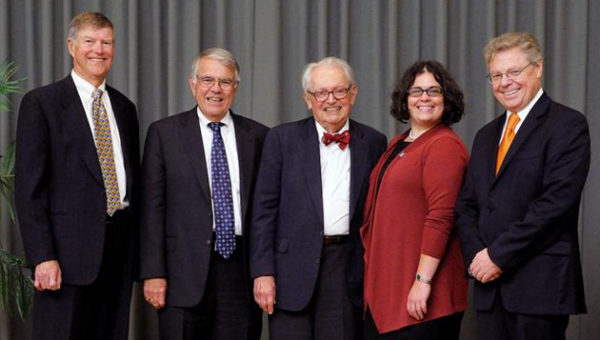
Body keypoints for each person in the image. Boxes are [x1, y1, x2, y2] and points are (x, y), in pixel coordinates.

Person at [455, 32, 590, 340]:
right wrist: (479, 257)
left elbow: (555, 204)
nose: (505, 82)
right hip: (489, 289)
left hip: (538, 289)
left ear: (538, 68)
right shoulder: (486, 135)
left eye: (514, 72)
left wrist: (497, 256)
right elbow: (467, 205)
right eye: (496, 75)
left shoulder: (567, 125)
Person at [15, 12, 140, 340]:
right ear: (71, 46)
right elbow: (30, 190)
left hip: (118, 255)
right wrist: (43, 256)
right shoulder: (42, 104)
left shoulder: (125, 109)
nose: (98, 50)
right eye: (90, 41)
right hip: (65, 258)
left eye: (107, 42)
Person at [250, 57, 387, 340]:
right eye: (320, 93)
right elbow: (264, 210)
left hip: (346, 270)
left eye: (339, 91)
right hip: (290, 271)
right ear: (307, 99)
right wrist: (263, 272)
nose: (331, 100)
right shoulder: (281, 139)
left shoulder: (374, 142)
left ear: (353, 93)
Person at [139, 47, 267, 340]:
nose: (216, 89)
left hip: (240, 271)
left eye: (225, 82)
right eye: (208, 79)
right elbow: (152, 209)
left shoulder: (259, 137)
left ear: (235, 88)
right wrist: (153, 272)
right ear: (193, 83)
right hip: (180, 273)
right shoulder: (164, 134)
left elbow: (266, 212)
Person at [361, 60, 469, 340]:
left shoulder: (444, 146)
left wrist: (422, 282)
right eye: (416, 91)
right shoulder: (399, 143)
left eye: (434, 90)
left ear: (447, 98)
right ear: (405, 99)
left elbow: (441, 218)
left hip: (424, 294)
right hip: (390, 289)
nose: (424, 97)